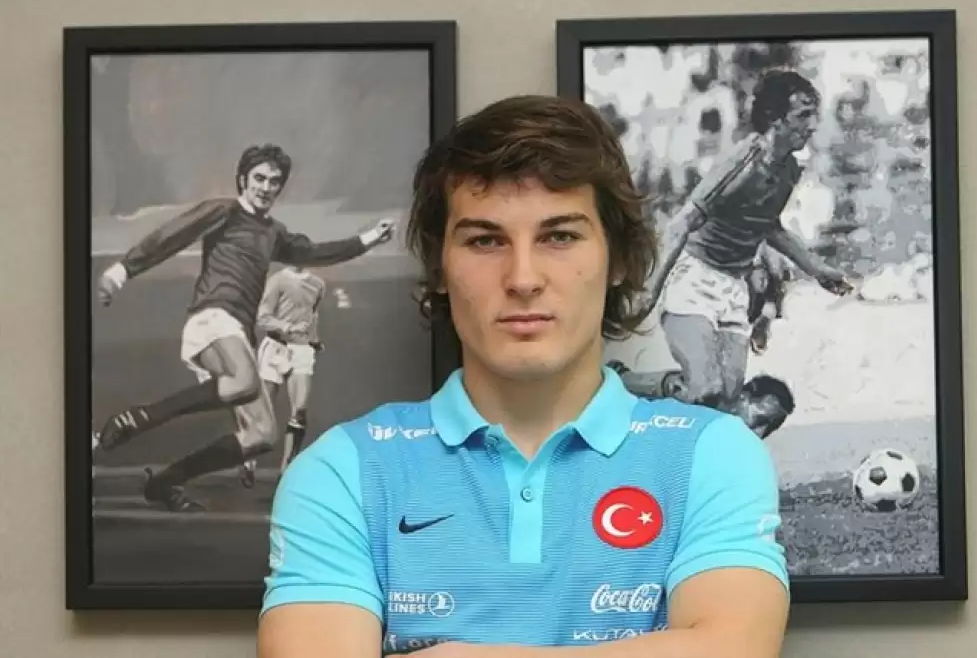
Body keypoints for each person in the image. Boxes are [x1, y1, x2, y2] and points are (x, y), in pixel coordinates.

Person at [257, 96, 790, 657]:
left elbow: (731, 649)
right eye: (485, 240)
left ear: (620, 260)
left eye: (559, 237)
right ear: (439, 267)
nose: (523, 278)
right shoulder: (342, 470)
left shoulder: (711, 453)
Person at [93, 143, 395, 512]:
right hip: (212, 318)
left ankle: (166, 481)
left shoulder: (274, 233)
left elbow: (314, 253)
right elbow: (174, 234)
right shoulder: (224, 211)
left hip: (238, 333)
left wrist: (367, 239)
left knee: (262, 434)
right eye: (259, 178)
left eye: (274, 181)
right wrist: (122, 271)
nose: (266, 187)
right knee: (244, 381)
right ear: (242, 179)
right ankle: (140, 418)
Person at [645, 69, 853, 412]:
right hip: (695, 277)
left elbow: (769, 226)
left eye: (814, 115)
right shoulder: (742, 163)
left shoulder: (788, 169)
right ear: (776, 119)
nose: (813, 125)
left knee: (727, 403)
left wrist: (817, 269)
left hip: (734, 287)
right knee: (705, 389)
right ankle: (627, 382)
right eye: (803, 115)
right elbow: (681, 224)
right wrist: (649, 292)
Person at [238, 265, 327, 488]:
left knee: (300, 411)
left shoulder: (318, 284)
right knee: (264, 410)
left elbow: (313, 314)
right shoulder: (277, 281)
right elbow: (263, 318)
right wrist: (288, 327)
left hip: (302, 350)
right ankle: (249, 461)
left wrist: (314, 340)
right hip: (275, 349)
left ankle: (287, 469)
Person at [606, 360, 795, 440]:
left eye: (766, 426)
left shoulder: (731, 443)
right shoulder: (706, 394)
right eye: (760, 420)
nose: (756, 430)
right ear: (743, 396)